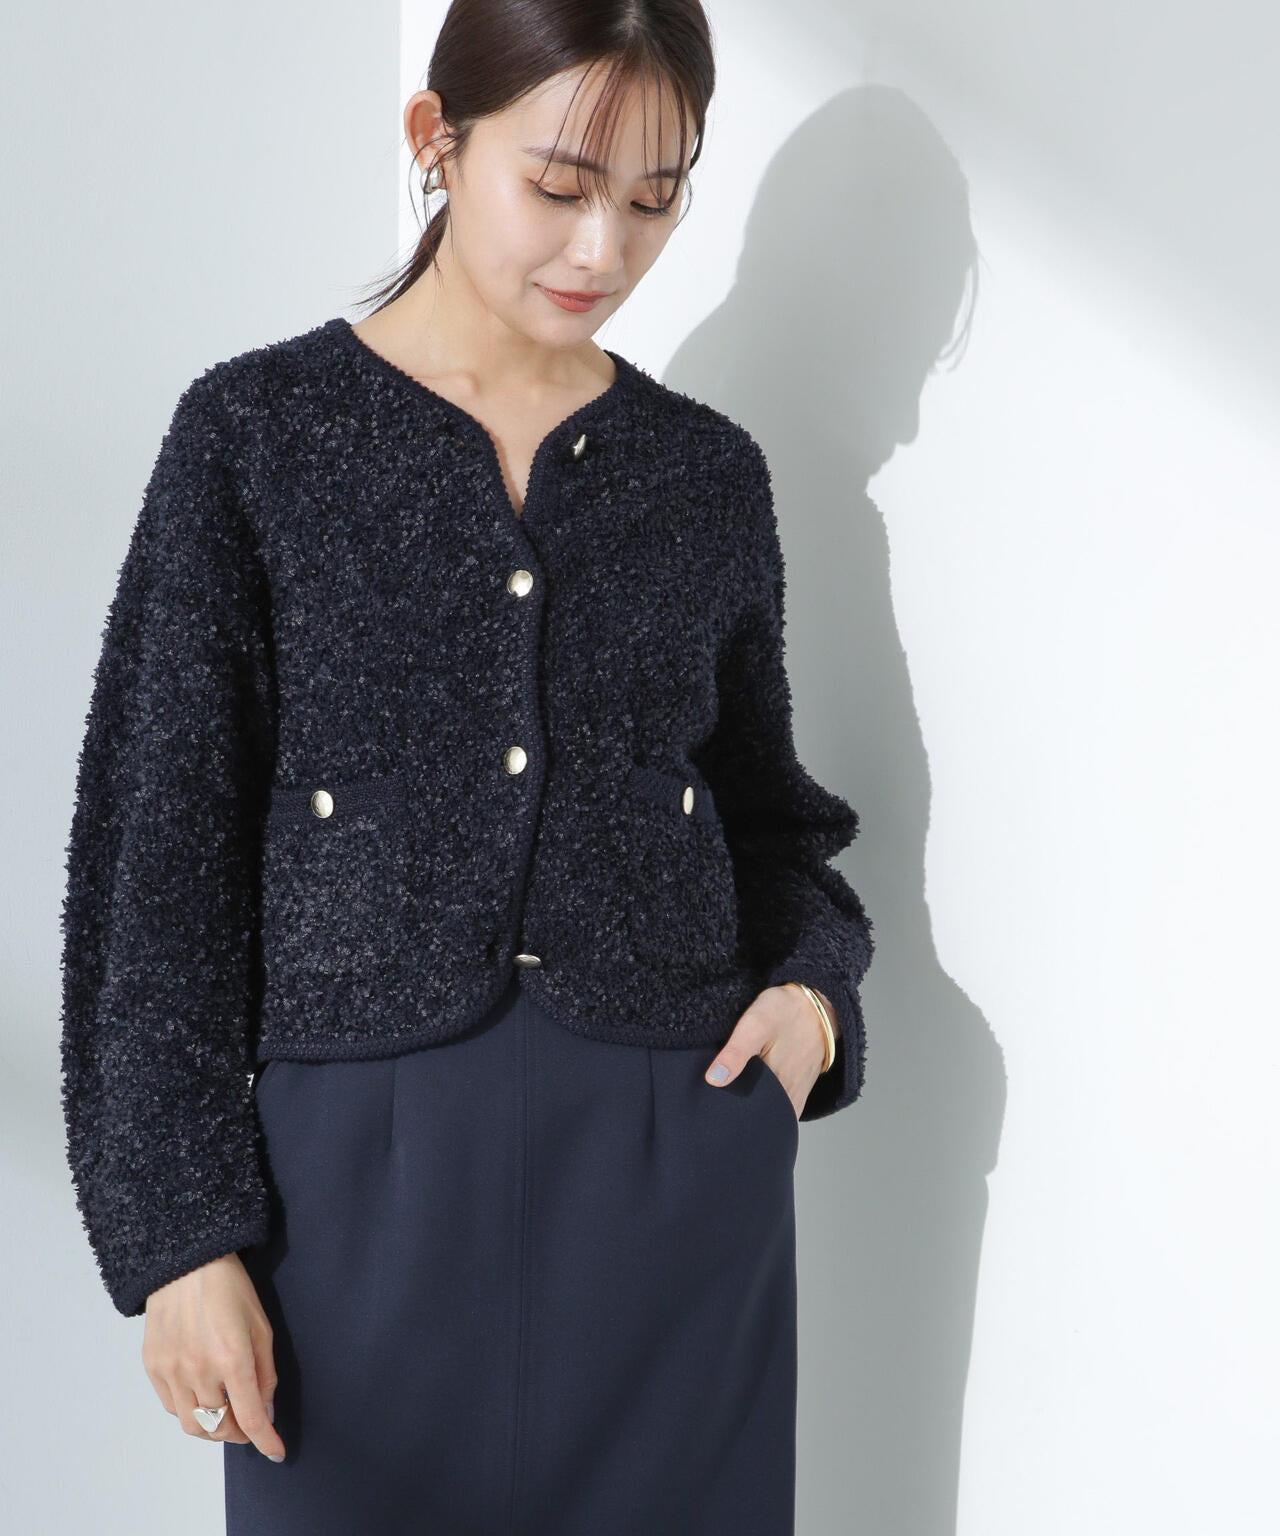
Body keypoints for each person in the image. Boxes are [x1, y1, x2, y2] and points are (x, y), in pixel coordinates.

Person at [58, 3, 874, 1532]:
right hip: (345, 1212)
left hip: (672, 1193)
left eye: (656, 198)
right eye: (559, 185)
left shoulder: (706, 479)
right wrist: (179, 1241)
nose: (605, 249)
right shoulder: (258, 438)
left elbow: (774, 826)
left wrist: (814, 1007)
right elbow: (154, 859)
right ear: (437, 139)